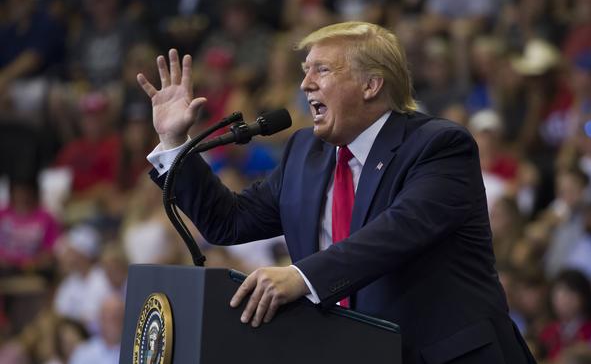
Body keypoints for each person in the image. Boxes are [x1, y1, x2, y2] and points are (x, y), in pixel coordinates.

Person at [138, 21, 535, 363]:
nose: (305, 84)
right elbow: (227, 222)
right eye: (305, 70)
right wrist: (175, 141)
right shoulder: (303, 154)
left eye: (321, 70)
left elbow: (399, 230)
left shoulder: (438, 145)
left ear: (371, 84)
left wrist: (302, 276)